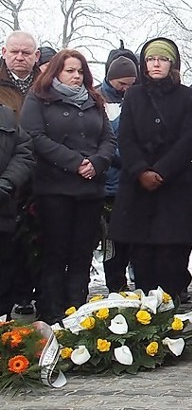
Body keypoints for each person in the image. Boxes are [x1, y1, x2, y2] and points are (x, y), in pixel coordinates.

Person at [20, 49, 116, 324]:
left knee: (82, 251)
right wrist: (75, 162)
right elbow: (35, 137)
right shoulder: (39, 99)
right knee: (56, 250)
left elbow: (108, 138)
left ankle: (77, 307)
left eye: (80, 71)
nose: (76, 76)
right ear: (56, 73)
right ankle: (51, 310)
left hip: (90, 189)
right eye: (69, 71)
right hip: (55, 188)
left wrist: (96, 162)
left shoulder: (95, 100)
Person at [109, 38, 192, 305]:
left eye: (162, 59)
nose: (156, 64)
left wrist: (161, 171)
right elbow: (125, 138)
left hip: (173, 185)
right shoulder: (135, 95)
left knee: (171, 253)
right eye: (151, 59)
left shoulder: (187, 96)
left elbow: (189, 139)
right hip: (138, 186)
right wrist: (141, 171)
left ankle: (170, 306)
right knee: (142, 253)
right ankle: (144, 313)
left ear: (172, 63)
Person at [0, 31, 40, 316]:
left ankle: (27, 293)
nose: (20, 57)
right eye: (14, 51)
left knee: (35, 238)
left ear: (36, 56)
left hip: (41, 170)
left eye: (26, 52)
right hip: (7, 173)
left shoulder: (47, 83)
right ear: (4, 52)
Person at [98, 51, 139, 293]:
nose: (125, 89)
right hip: (110, 181)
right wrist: (123, 160)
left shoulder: (136, 99)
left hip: (133, 180)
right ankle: (115, 285)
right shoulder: (98, 98)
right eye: (121, 84)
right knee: (112, 242)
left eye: (130, 85)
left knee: (132, 240)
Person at [0, 103, 35, 319]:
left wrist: (6, 184)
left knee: (3, 274)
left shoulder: (6, 115)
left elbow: (24, 152)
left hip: (3, 208)